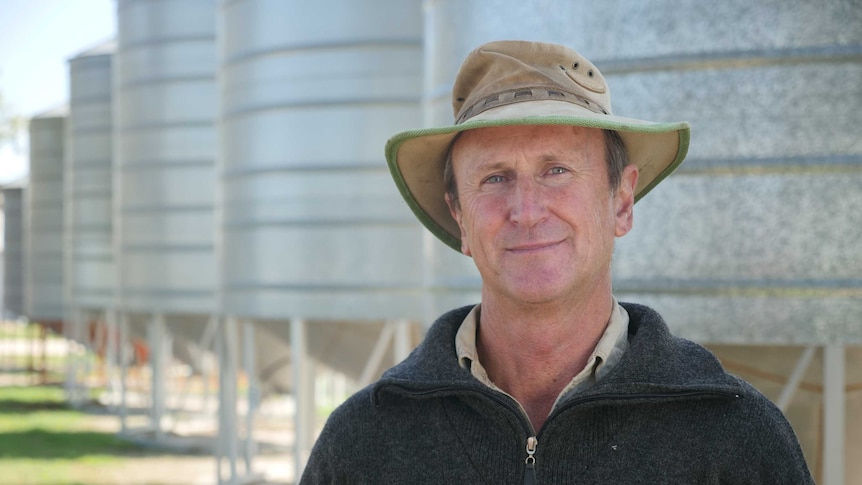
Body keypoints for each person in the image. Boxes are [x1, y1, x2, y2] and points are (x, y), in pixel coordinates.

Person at [301, 40, 812, 484]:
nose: (526, 211)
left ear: (621, 201)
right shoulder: (365, 439)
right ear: (460, 219)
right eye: (494, 178)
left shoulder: (733, 433)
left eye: (558, 170)